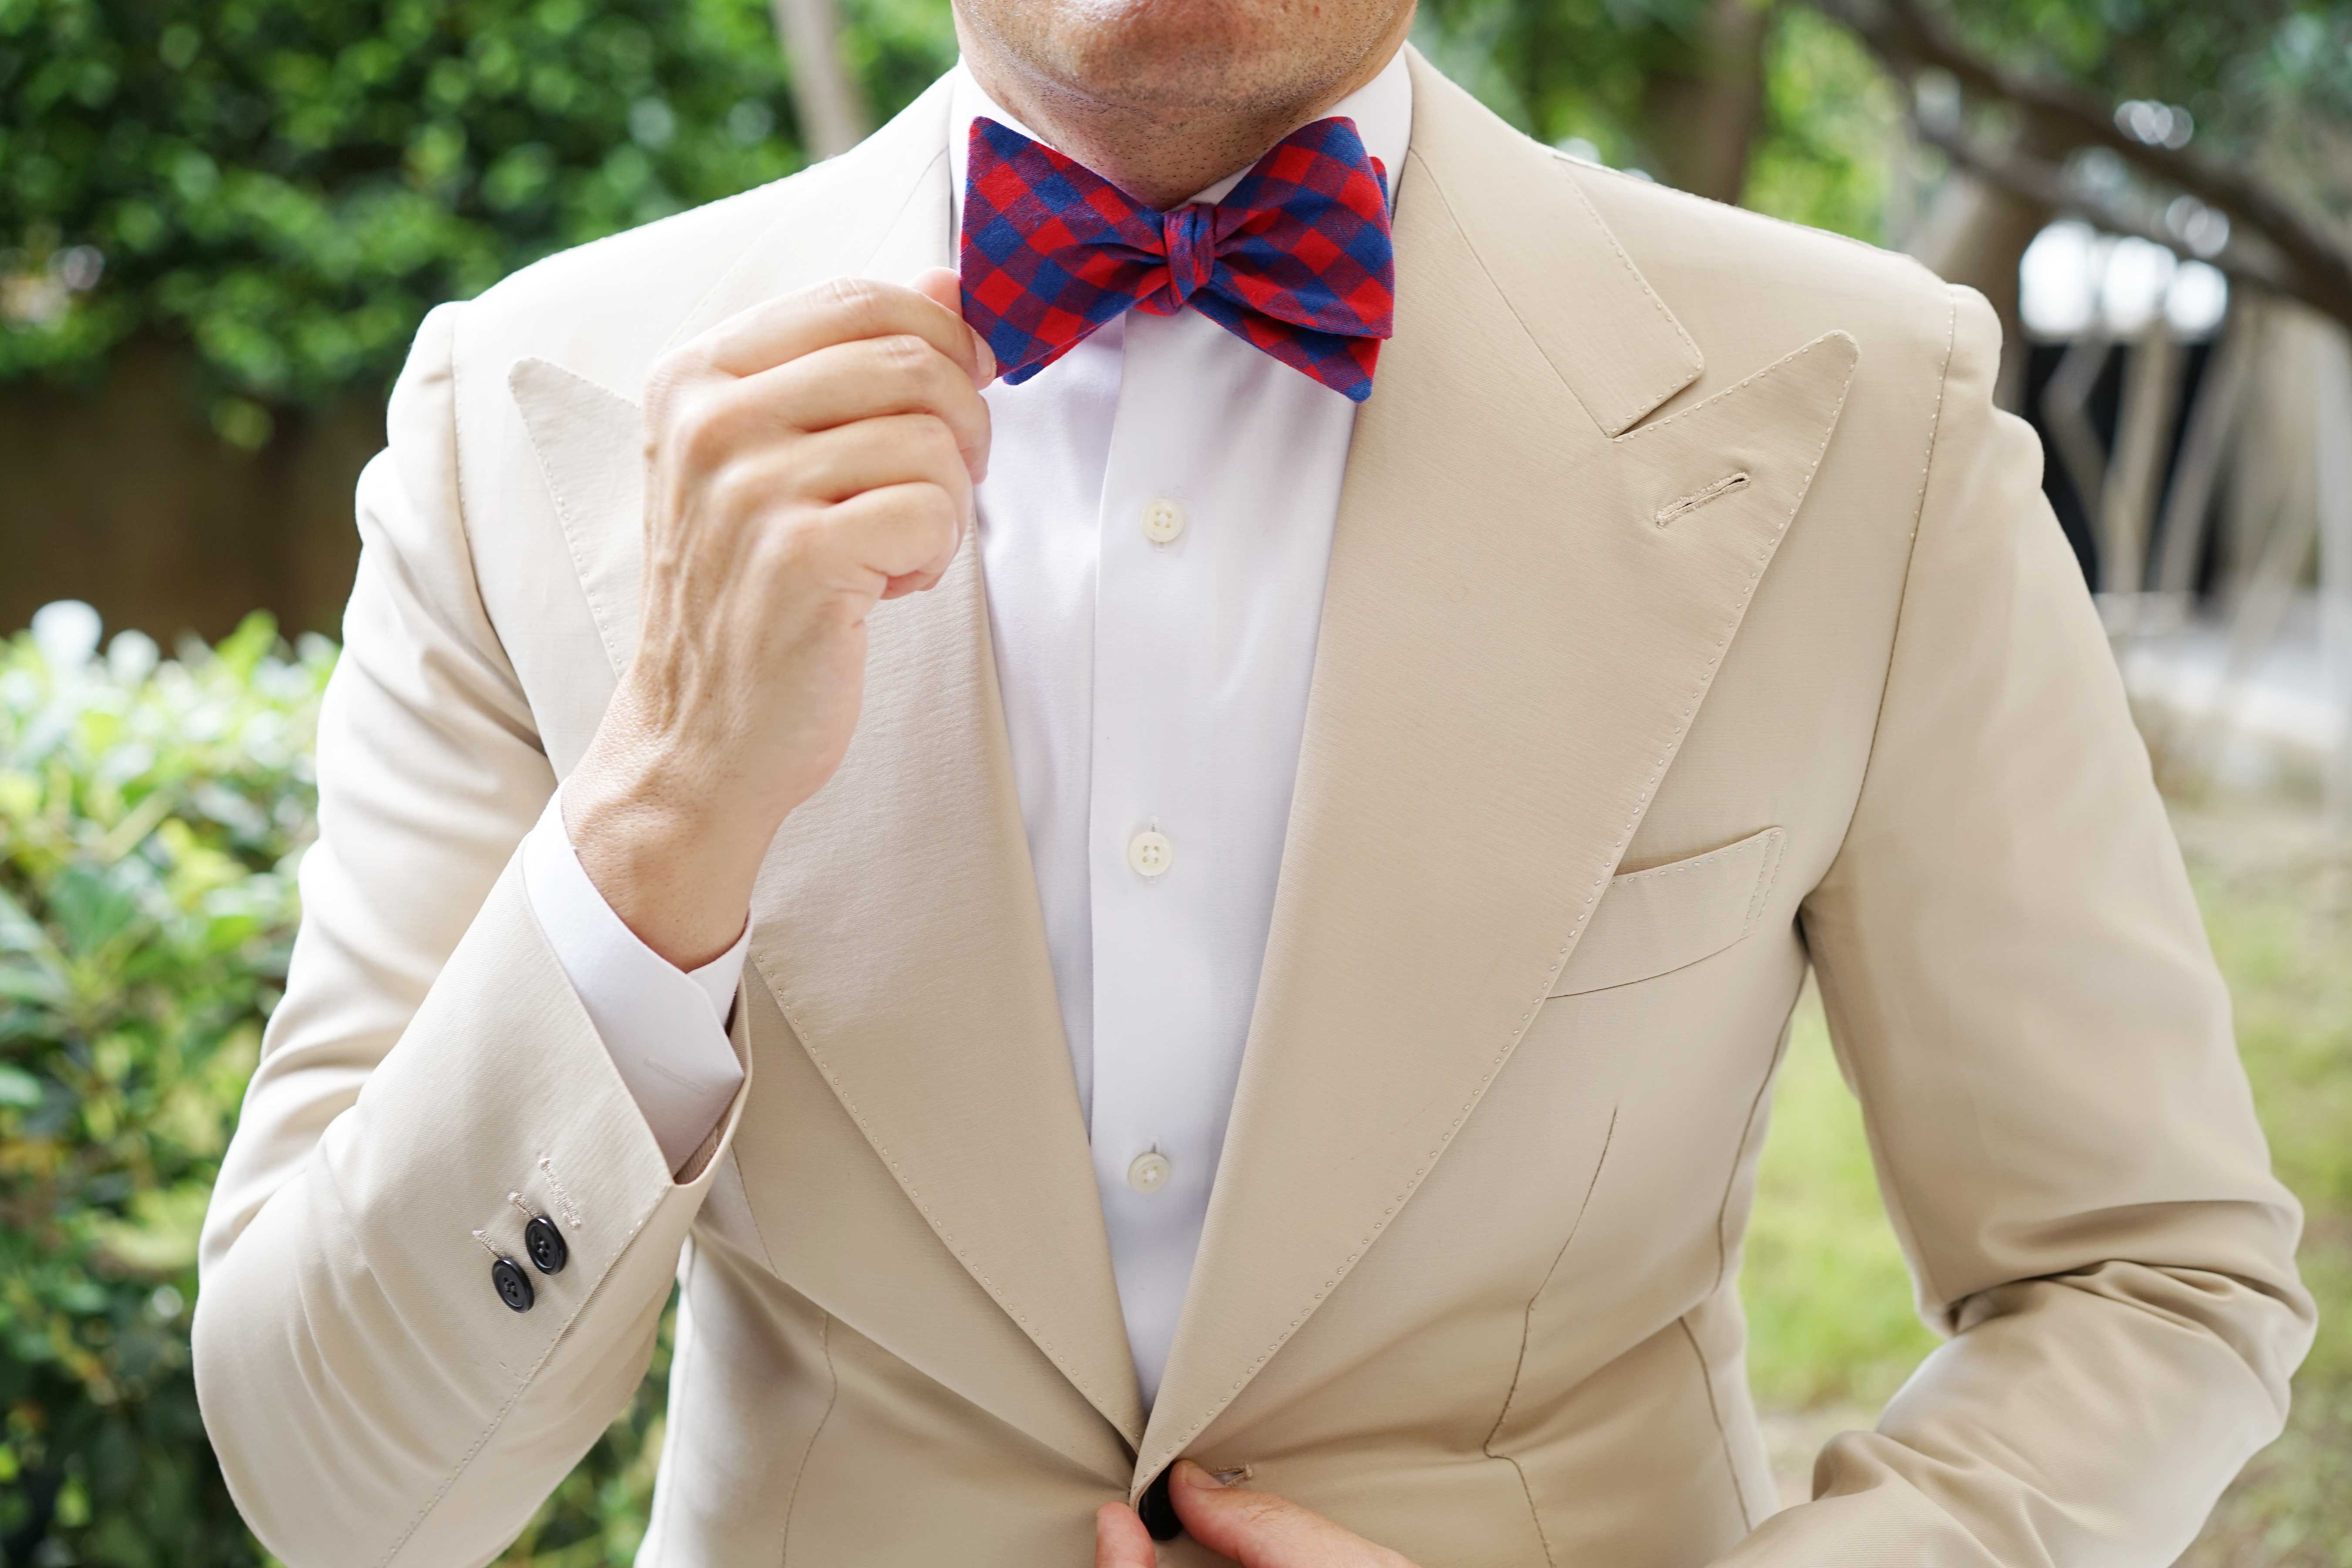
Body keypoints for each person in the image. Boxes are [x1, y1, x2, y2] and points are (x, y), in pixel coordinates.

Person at [191, 0, 2315, 1561]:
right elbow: (334, 1487)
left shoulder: (1873, 407)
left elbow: (2153, 1275)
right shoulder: (522, 417)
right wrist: (659, 817)